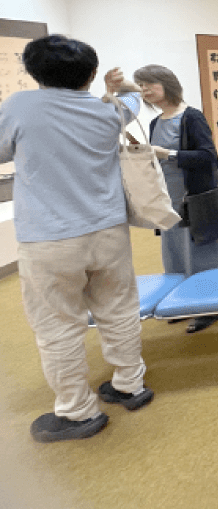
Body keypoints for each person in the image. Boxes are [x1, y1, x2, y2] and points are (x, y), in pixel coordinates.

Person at [0, 35, 154, 443]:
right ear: (89, 73)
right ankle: (130, 385)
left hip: (48, 239)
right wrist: (116, 87)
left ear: (34, 72)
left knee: (58, 325)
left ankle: (77, 411)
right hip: (108, 231)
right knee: (119, 309)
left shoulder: (19, 107)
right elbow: (134, 102)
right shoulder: (109, 110)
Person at [133, 64, 218, 333]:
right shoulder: (155, 122)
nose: (144, 90)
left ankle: (213, 307)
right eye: (140, 85)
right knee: (175, 255)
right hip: (167, 201)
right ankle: (183, 302)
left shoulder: (191, 117)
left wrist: (169, 154)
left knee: (203, 256)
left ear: (167, 84)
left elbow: (208, 156)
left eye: (148, 84)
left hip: (194, 199)